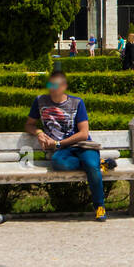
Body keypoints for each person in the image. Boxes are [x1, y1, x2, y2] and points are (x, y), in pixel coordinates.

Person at [26, 70, 108, 222]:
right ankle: (99, 164)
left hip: (83, 146)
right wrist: (38, 132)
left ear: (64, 86)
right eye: (50, 84)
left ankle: (99, 206)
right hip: (63, 152)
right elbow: (29, 125)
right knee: (58, 163)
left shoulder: (77, 103)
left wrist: (57, 143)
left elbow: (84, 133)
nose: (52, 88)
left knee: (90, 163)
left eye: (56, 85)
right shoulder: (40, 101)